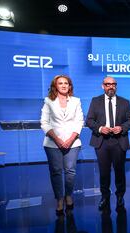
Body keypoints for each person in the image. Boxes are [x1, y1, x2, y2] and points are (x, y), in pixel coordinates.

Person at [86, 76, 130, 211]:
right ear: (103, 86)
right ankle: (105, 197)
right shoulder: (95, 101)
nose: (111, 87)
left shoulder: (124, 102)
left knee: (120, 171)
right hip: (101, 141)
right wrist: (101, 128)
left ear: (116, 86)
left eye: (113, 84)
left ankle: (120, 196)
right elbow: (89, 120)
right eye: (108, 84)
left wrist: (122, 128)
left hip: (119, 141)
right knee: (104, 172)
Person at [40, 75, 84, 216]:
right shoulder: (48, 101)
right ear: (55, 86)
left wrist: (70, 139)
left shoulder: (76, 101)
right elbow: (44, 123)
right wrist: (58, 140)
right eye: (61, 83)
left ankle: (68, 195)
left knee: (70, 171)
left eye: (66, 83)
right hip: (53, 143)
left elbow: (79, 122)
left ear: (70, 86)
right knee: (56, 172)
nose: (64, 85)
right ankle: (59, 199)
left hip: (73, 142)